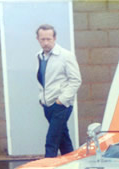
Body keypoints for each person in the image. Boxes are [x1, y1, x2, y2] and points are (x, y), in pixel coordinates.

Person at [36, 24, 82, 157]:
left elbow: (76, 80)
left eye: (49, 39)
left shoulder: (65, 56)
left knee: (51, 141)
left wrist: (61, 100)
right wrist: (41, 98)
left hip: (61, 105)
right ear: (38, 39)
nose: (46, 42)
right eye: (42, 39)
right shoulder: (39, 56)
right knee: (63, 140)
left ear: (54, 38)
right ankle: (72, 165)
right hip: (47, 104)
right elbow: (43, 79)